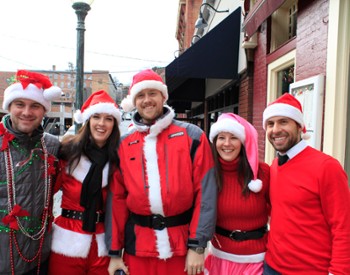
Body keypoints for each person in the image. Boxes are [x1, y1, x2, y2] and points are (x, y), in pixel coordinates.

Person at [105, 69, 217, 275]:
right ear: (134, 101)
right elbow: (116, 200)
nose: (147, 100)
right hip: (137, 248)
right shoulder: (123, 144)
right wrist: (113, 253)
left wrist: (197, 246)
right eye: (140, 95)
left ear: (163, 96)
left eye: (152, 93)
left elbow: (206, 194)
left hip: (183, 249)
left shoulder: (192, 136)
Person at [262, 93, 350, 275]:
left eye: (283, 122)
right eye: (270, 124)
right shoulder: (276, 165)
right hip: (271, 266)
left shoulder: (326, 167)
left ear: (299, 126)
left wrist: (339, 271)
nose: (275, 130)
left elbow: (343, 226)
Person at [48, 90, 122, 275]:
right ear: (88, 121)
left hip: (103, 243)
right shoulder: (68, 153)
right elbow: (45, 195)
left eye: (109, 118)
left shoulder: (119, 159)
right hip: (67, 240)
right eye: (96, 117)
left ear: (115, 124)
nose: (102, 124)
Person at [0, 70, 62, 274]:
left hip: (39, 259)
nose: (27, 112)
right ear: (9, 107)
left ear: (44, 111)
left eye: (35, 105)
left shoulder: (53, 146)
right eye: (20, 104)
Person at [204, 113, 270, 274]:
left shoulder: (263, 173)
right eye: (221, 138)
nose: (227, 144)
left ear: (242, 142)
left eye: (233, 137)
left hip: (257, 261)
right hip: (220, 260)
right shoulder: (208, 174)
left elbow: (281, 213)